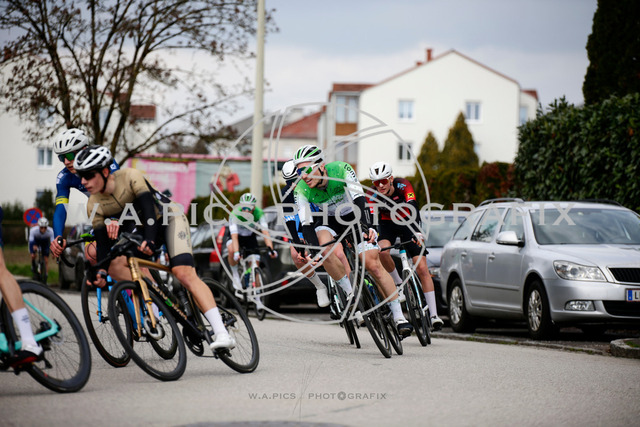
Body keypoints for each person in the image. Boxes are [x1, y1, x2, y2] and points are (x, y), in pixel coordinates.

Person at [73, 145, 235, 350]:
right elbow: (103, 244)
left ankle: (222, 333)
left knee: (183, 272)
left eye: (88, 175)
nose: (83, 182)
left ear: (105, 172)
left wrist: (149, 241)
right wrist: (101, 271)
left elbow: (150, 210)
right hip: (140, 229)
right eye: (81, 176)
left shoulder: (130, 177)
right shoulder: (94, 204)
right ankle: (157, 300)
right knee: (115, 265)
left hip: (168, 219)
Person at [292, 145, 413, 336]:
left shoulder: (341, 169)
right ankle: (351, 294)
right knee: (324, 249)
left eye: (307, 170)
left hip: (354, 214)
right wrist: (313, 251)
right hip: (328, 219)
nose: (304, 176)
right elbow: (306, 224)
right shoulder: (300, 189)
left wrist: (367, 227)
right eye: (300, 172)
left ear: (321, 165)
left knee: (372, 264)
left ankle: (399, 317)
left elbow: (360, 200)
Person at [368, 161, 444, 331]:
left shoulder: (403, 185)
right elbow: (371, 218)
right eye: (376, 182)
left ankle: (434, 315)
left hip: (408, 223)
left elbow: (413, 207)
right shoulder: (372, 193)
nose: (380, 185)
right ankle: (398, 283)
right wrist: (371, 233)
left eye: (384, 181)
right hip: (387, 225)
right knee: (383, 252)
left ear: (391, 179)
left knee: (422, 268)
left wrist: (417, 231)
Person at [49, 128, 120, 260]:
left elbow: (118, 192)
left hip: (125, 209)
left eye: (70, 155)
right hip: (101, 213)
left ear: (83, 150)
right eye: (61, 157)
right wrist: (57, 237)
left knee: (126, 251)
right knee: (91, 253)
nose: (66, 162)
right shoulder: (64, 178)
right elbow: (61, 209)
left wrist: (114, 219)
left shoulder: (103, 162)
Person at [0, 205, 43, 366]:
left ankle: (29, 342)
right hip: (35, 242)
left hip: (44, 243)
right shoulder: (33, 231)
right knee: (33, 255)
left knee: (0, 269)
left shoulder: (46, 231)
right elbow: (31, 244)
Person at [226, 192, 278, 309]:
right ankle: (235, 274)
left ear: (254, 208)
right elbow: (234, 236)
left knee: (255, 266)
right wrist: (236, 252)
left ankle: (258, 299)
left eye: (248, 208)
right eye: (243, 208)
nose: (246, 211)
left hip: (249, 236)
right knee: (231, 250)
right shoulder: (235, 213)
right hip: (236, 236)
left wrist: (271, 249)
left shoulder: (259, 213)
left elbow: (265, 233)